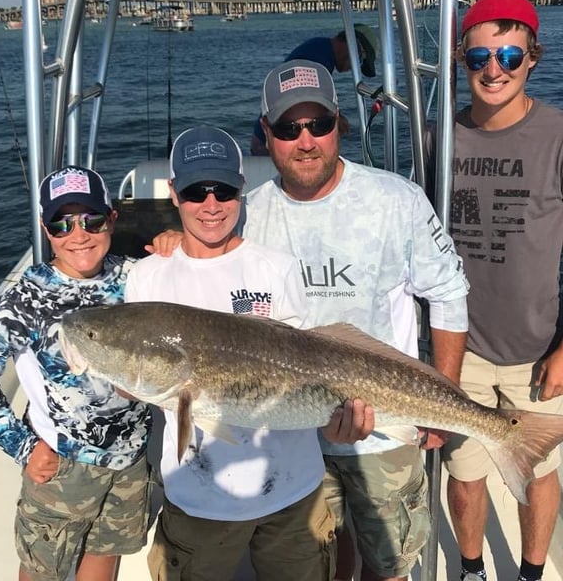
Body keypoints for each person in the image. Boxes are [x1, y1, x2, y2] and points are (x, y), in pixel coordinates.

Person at [150, 60, 469, 581]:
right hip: (291, 439)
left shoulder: (396, 200)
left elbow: (449, 293)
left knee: (389, 564)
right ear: (266, 136)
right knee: (328, 559)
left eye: (318, 124)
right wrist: (171, 245)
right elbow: (208, 253)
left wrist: (444, 399)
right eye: (287, 128)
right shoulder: (246, 211)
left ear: (339, 124)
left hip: (383, 422)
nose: (305, 140)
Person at [126, 125, 372, 581]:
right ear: (174, 193)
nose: (211, 205)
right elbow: (139, 375)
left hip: (294, 493)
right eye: (197, 191)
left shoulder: (275, 268)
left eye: (224, 189)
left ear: (242, 190)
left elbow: (312, 363)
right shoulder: (147, 277)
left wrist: (343, 424)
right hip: (198, 499)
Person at [0, 165, 152, 581]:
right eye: (62, 224)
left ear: (112, 218)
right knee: (43, 570)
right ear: (46, 230)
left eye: (91, 220)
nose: (78, 234)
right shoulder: (24, 301)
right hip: (63, 467)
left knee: (105, 553)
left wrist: (173, 245)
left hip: (131, 459)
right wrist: (24, 447)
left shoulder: (139, 278)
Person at [440, 0, 563, 581]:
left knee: (537, 474)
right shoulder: (441, 138)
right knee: (464, 475)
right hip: (459, 345)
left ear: (532, 57)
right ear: (462, 58)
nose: (494, 71)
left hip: (538, 348)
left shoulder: (558, 135)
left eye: (509, 57)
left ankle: (533, 573)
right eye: (480, 58)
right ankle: (470, 569)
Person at [250, 24, 378, 156]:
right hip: (274, 142)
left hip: (271, 138)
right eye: (360, 60)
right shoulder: (318, 59)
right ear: (354, 47)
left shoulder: (319, 49)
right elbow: (301, 98)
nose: (354, 67)